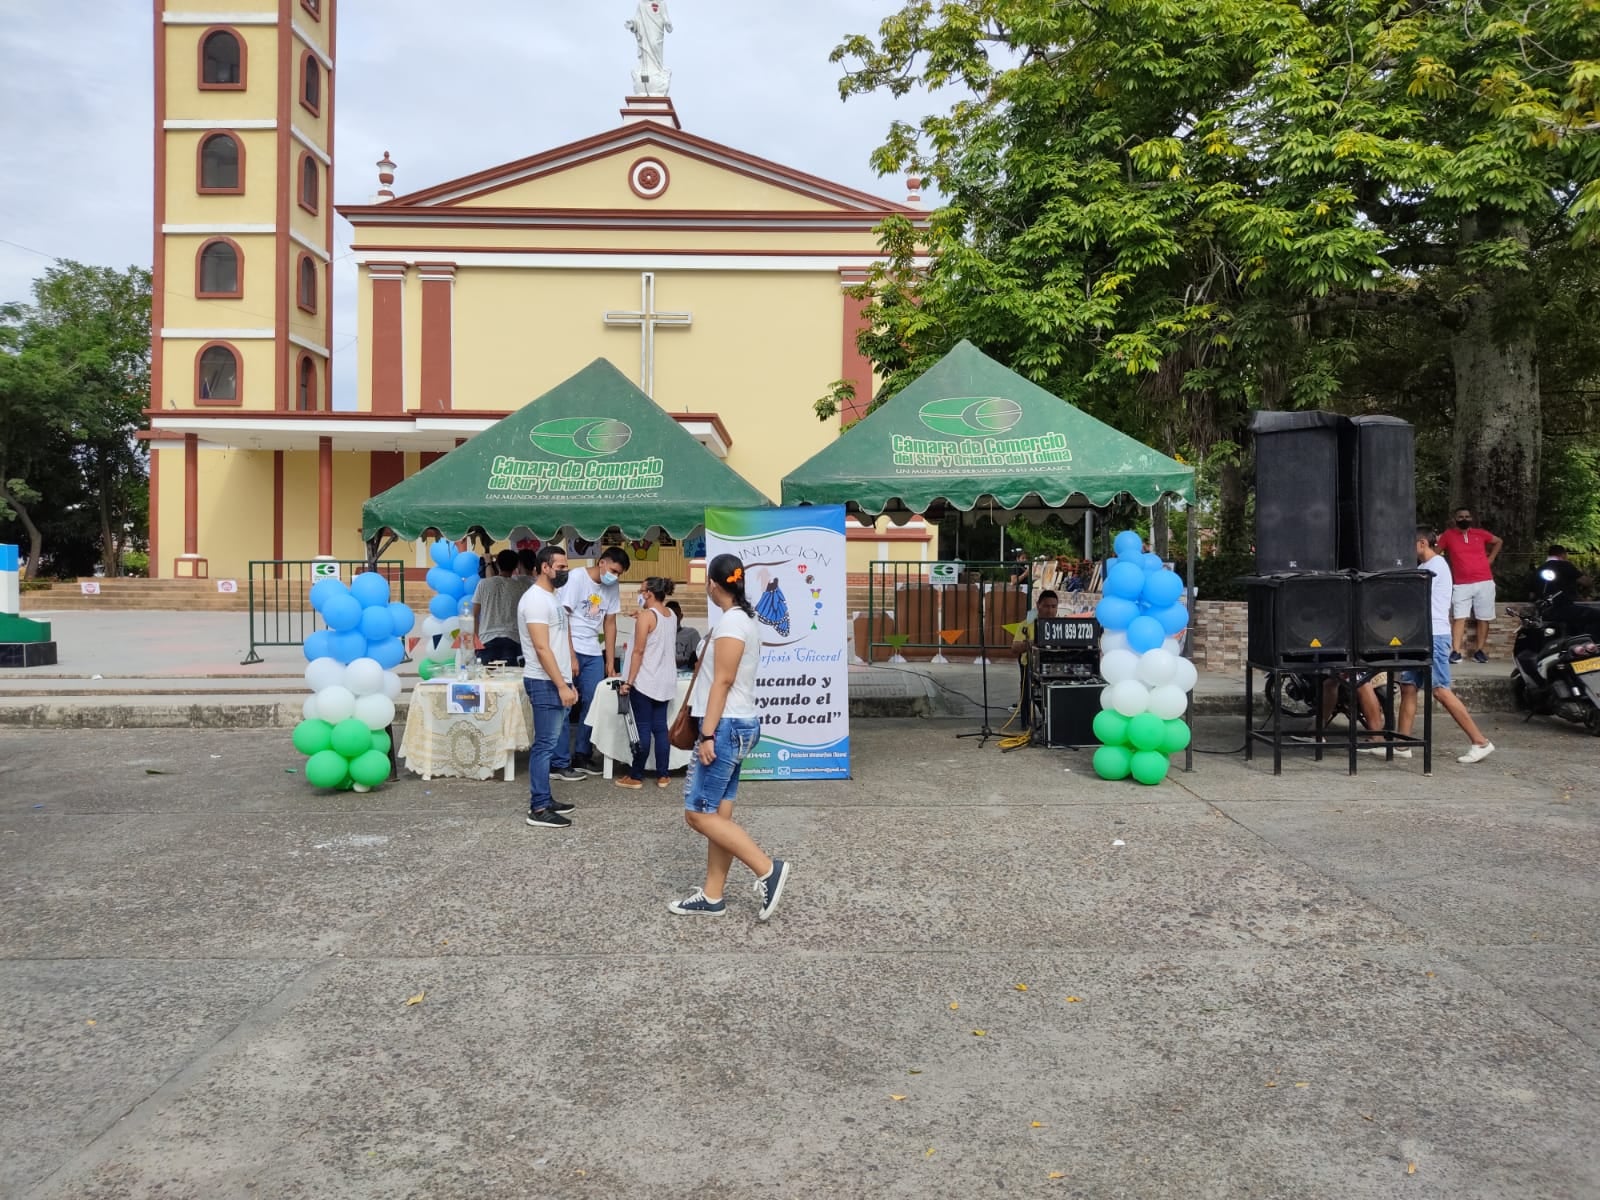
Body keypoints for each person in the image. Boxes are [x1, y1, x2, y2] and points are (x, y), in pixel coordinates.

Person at [669, 554, 791, 920]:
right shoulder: (739, 620)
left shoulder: (733, 623)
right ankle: (712, 894)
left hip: (724, 727)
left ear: (712, 584)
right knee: (719, 813)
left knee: (697, 814)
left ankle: (767, 869)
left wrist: (707, 734)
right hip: (736, 724)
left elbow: (723, 680)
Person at [1388, 527, 1495, 764]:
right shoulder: (1423, 567)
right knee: (1408, 687)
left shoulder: (1437, 566)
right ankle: (1402, 745)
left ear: (1422, 543)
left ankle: (1480, 742)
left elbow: (1418, 600)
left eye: (1411, 545)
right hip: (1419, 636)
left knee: (1440, 689)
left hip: (1434, 635)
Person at [518, 545, 583, 828]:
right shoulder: (534, 600)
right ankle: (539, 807)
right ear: (545, 567)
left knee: (550, 742)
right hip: (543, 681)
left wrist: (568, 679)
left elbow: (559, 639)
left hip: (557, 679)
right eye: (561, 567)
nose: (565, 571)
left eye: (566, 566)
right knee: (544, 746)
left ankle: (546, 797)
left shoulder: (552, 597)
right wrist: (561, 685)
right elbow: (542, 648)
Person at [558, 545, 631, 775]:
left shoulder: (612, 586)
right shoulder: (576, 578)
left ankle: (582, 754)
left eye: (619, 574)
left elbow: (610, 623)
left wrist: (609, 661)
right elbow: (564, 618)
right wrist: (570, 655)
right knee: (566, 703)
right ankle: (559, 760)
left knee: (593, 703)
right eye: (613, 570)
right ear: (602, 562)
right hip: (570, 647)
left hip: (592, 650)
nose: (615, 576)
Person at [617, 577, 678, 791]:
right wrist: (641, 617)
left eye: (641, 590)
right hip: (665, 680)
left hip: (645, 680)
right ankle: (663, 775)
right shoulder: (671, 615)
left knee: (642, 727)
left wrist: (628, 682)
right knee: (660, 728)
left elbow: (638, 651)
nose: (639, 594)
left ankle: (636, 775)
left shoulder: (646, 617)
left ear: (649, 593)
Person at [1436, 506, 1503, 664]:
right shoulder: (1448, 535)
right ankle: (1456, 652)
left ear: (1471, 518)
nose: (1464, 519)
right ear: (1455, 519)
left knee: (1484, 617)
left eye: (1467, 516)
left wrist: (1491, 558)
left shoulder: (1480, 533)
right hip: (1461, 583)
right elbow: (1436, 552)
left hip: (1484, 581)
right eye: (1461, 517)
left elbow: (1498, 541)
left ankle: (1480, 651)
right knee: (1459, 617)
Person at [473, 549, 531, 665]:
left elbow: (474, 615)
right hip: (513, 639)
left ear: (497, 564)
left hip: (487, 639)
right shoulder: (522, 586)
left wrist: (475, 642)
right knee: (511, 675)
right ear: (516, 566)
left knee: (487, 675)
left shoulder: (483, 584)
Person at [667, 600, 700, 669]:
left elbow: (699, 657)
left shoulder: (692, 633)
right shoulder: (657, 635)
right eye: (669, 615)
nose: (672, 618)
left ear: (681, 616)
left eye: (675, 615)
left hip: (686, 671)